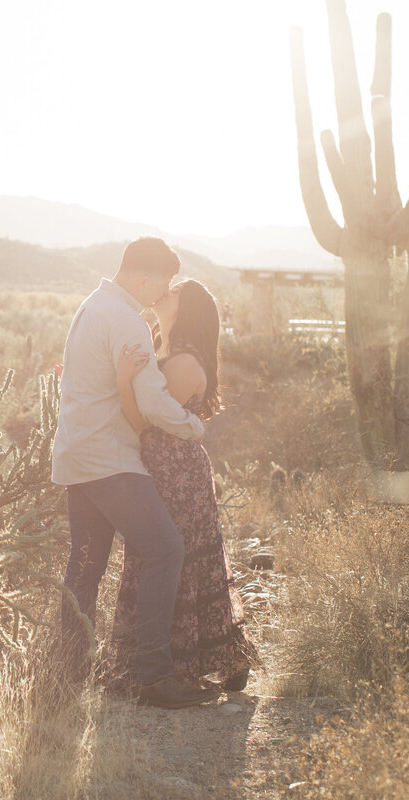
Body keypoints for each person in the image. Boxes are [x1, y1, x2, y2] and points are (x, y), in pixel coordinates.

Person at [51, 237, 219, 709]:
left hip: (77, 455)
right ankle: (153, 675)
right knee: (166, 549)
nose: (159, 294)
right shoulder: (127, 320)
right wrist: (191, 424)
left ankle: (67, 670)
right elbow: (151, 404)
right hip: (111, 459)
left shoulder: (92, 305)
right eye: (161, 284)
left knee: (85, 567)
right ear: (144, 277)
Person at [108, 278, 256, 693]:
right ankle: (185, 661)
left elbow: (145, 421)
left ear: (186, 309)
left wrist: (122, 383)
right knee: (165, 557)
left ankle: (206, 661)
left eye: (173, 291)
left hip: (177, 473)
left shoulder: (185, 363)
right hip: (160, 467)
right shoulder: (164, 353)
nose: (163, 292)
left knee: (178, 560)